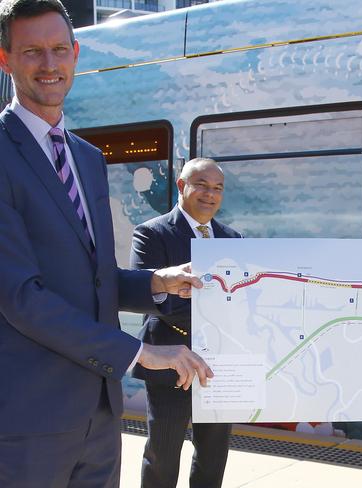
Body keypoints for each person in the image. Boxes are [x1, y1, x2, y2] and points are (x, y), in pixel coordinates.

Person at [0, 0, 213, 486]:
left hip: (99, 415)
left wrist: (158, 282)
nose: (49, 65)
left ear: (76, 54)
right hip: (27, 421)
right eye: (32, 51)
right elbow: (20, 297)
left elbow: (90, 278)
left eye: (59, 49)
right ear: (5, 59)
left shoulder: (87, 157)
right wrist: (139, 354)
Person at [131, 158, 242, 488]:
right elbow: (150, 298)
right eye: (202, 185)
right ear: (182, 186)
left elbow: (243, 300)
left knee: (214, 453)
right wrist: (217, 308)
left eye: (218, 188)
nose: (210, 195)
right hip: (170, 360)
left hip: (220, 363)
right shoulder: (152, 233)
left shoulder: (233, 239)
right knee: (163, 453)